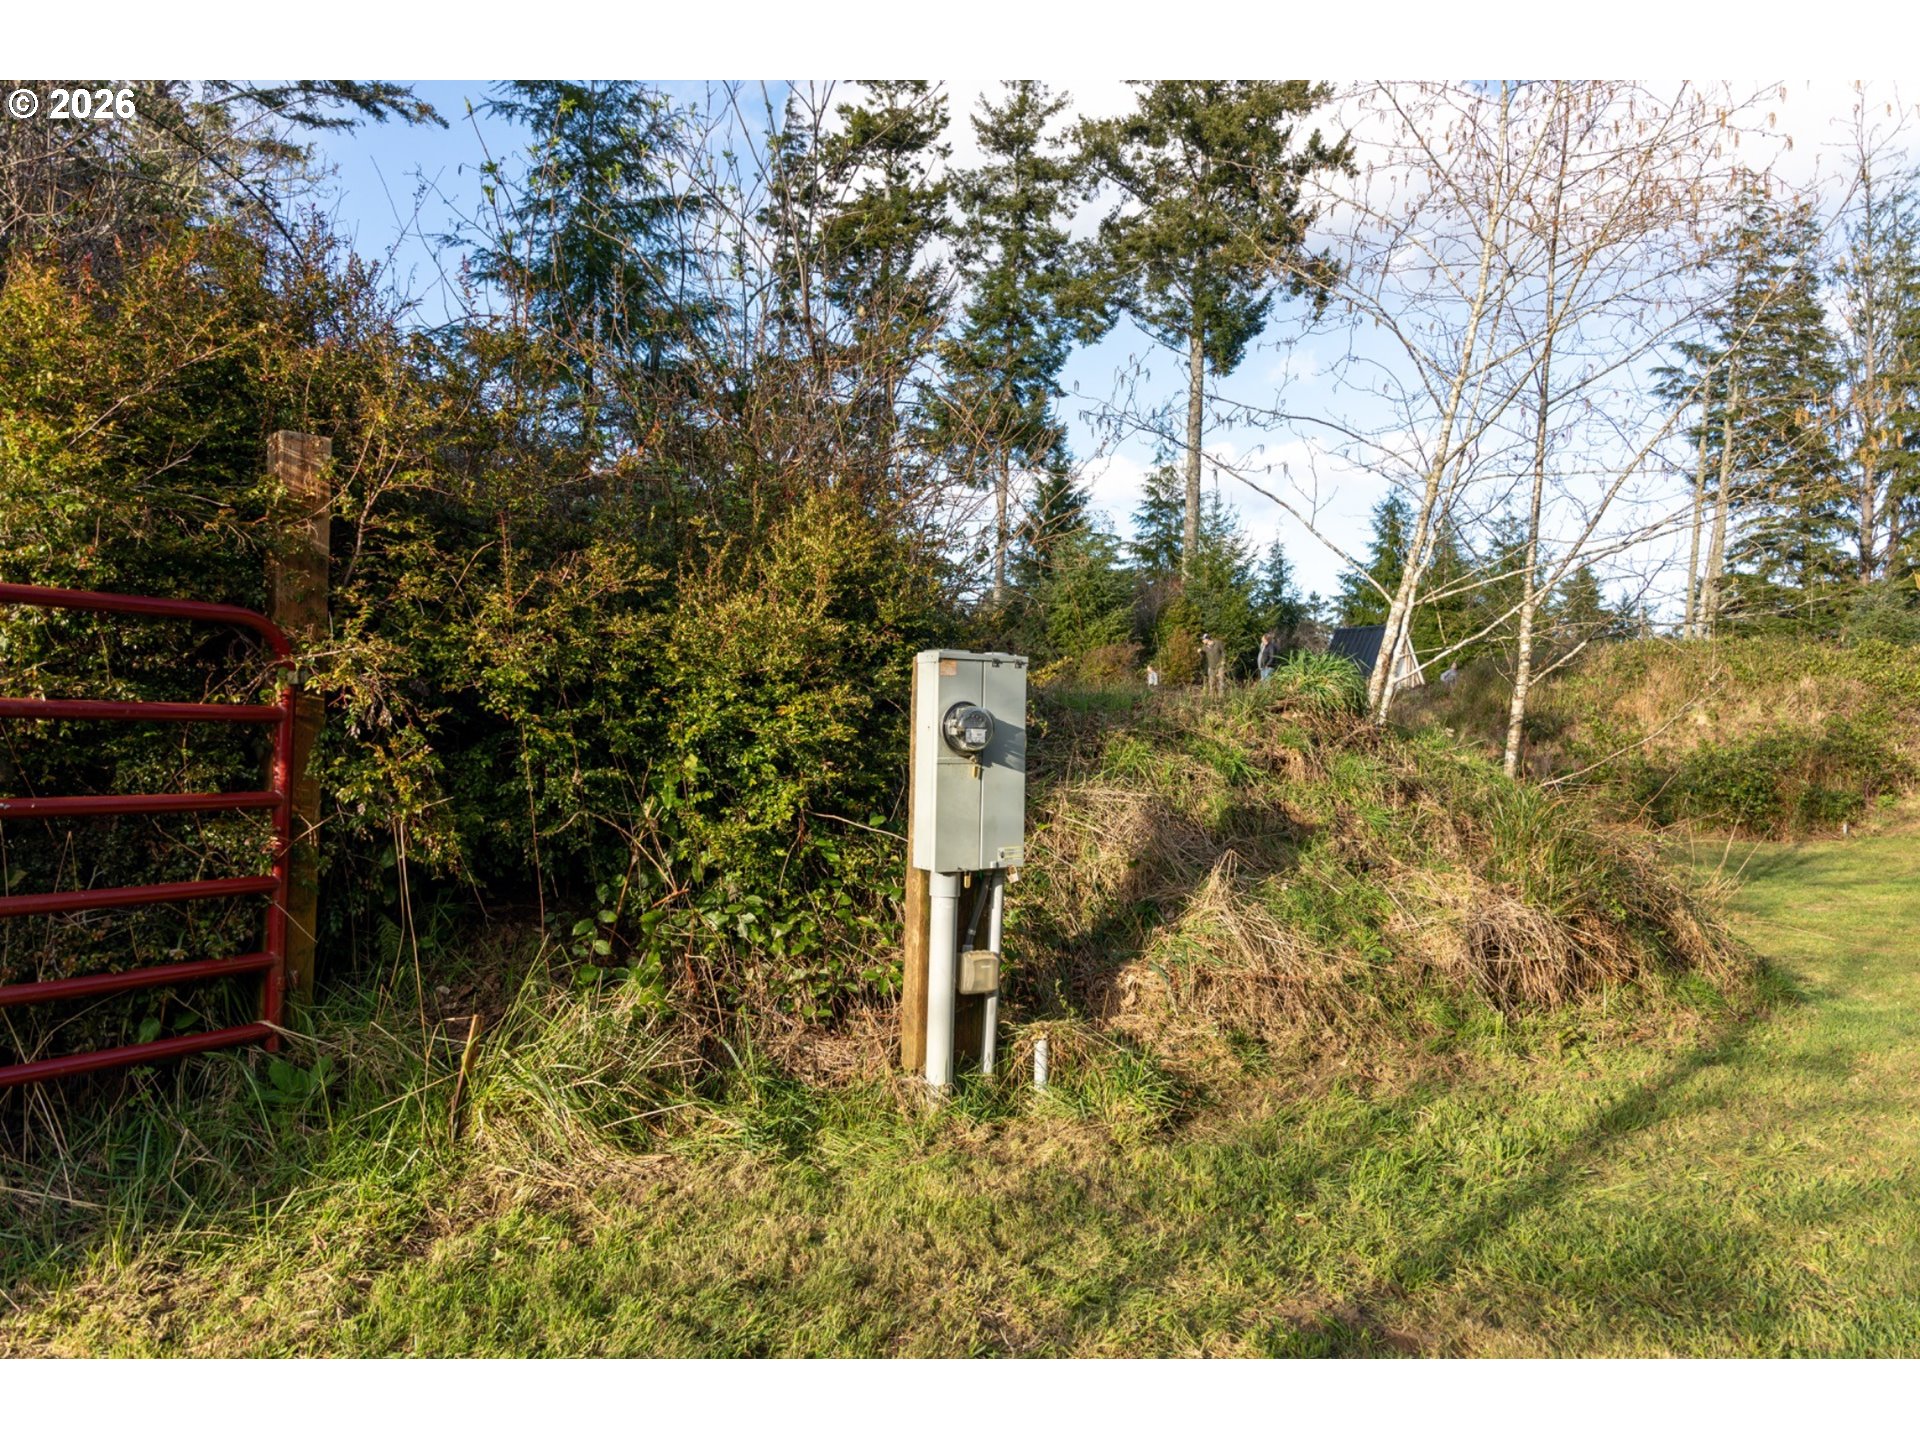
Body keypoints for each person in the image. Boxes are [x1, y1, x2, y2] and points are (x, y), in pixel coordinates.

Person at [1199, 632, 1227, 697]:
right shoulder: (1204, 647)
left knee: (1221, 681)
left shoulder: (1218, 643)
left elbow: (1223, 652)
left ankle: (1221, 696)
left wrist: (1223, 661)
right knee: (1211, 682)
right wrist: (1200, 652)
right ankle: (1212, 696)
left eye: (1203, 639)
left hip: (1220, 666)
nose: (1202, 641)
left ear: (1207, 639)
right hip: (1211, 667)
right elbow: (1203, 657)